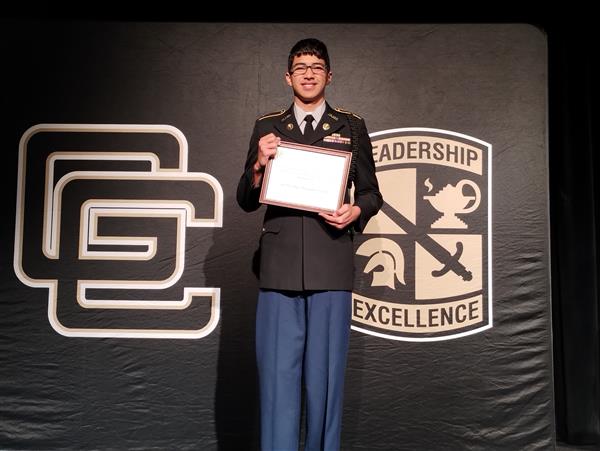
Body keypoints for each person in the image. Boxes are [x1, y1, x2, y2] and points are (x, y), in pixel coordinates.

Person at [237, 38, 382, 451]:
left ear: (329, 75)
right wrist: (259, 164)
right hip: (279, 267)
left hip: (330, 261)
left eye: (317, 66)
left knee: (325, 381)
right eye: (300, 67)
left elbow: (372, 193)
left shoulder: (351, 125)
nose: (308, 73)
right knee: (278, 383)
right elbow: (245, 200)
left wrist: (356, 212)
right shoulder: (267, 127)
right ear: (288, 76)